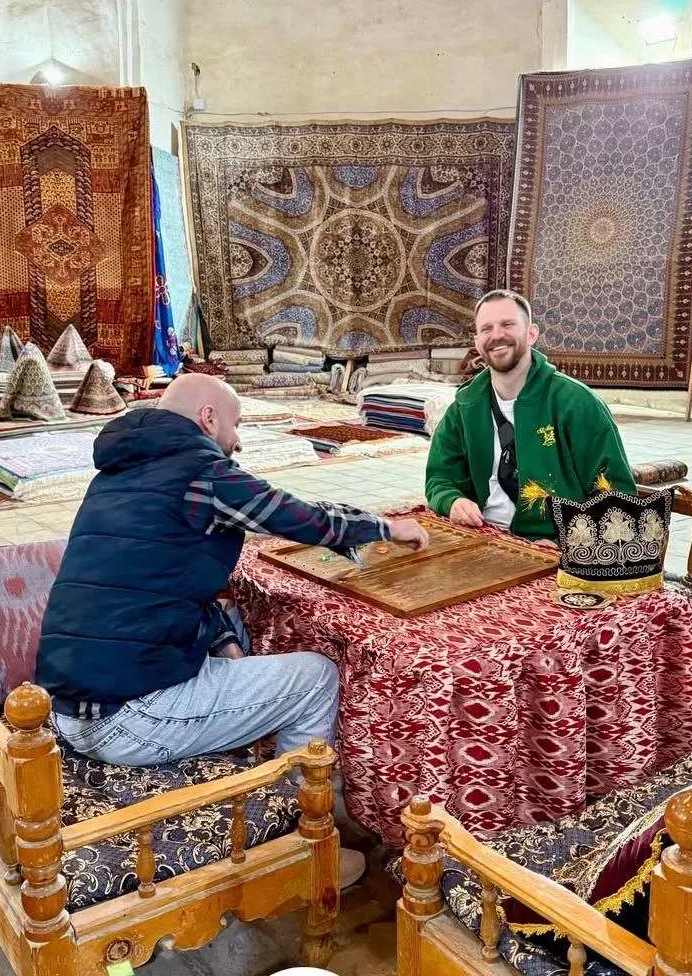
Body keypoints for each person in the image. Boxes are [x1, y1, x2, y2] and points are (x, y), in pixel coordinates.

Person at [37, 374, 429, 767]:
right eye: (236, 425)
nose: (238, 441)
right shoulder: (202, 473)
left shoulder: (115, 474)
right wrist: (387, 528)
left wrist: (225, 642)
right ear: (209, 418)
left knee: (235, 621)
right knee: (317, 677)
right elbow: (300, 517)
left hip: (66, 706)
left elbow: (163, 581)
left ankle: (245, 726)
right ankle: (293, 796)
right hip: (127, 719)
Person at [425, 290, 636, 541]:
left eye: (508, 324)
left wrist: (567, 543)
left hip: (557, 546)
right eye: (486, 328)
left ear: (531, 333)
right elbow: (440, 478)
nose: (497, 335)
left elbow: (616, 496)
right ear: (478, 341)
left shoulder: (577, 404)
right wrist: (453, 501)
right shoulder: (464, 406)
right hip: (480, 537)